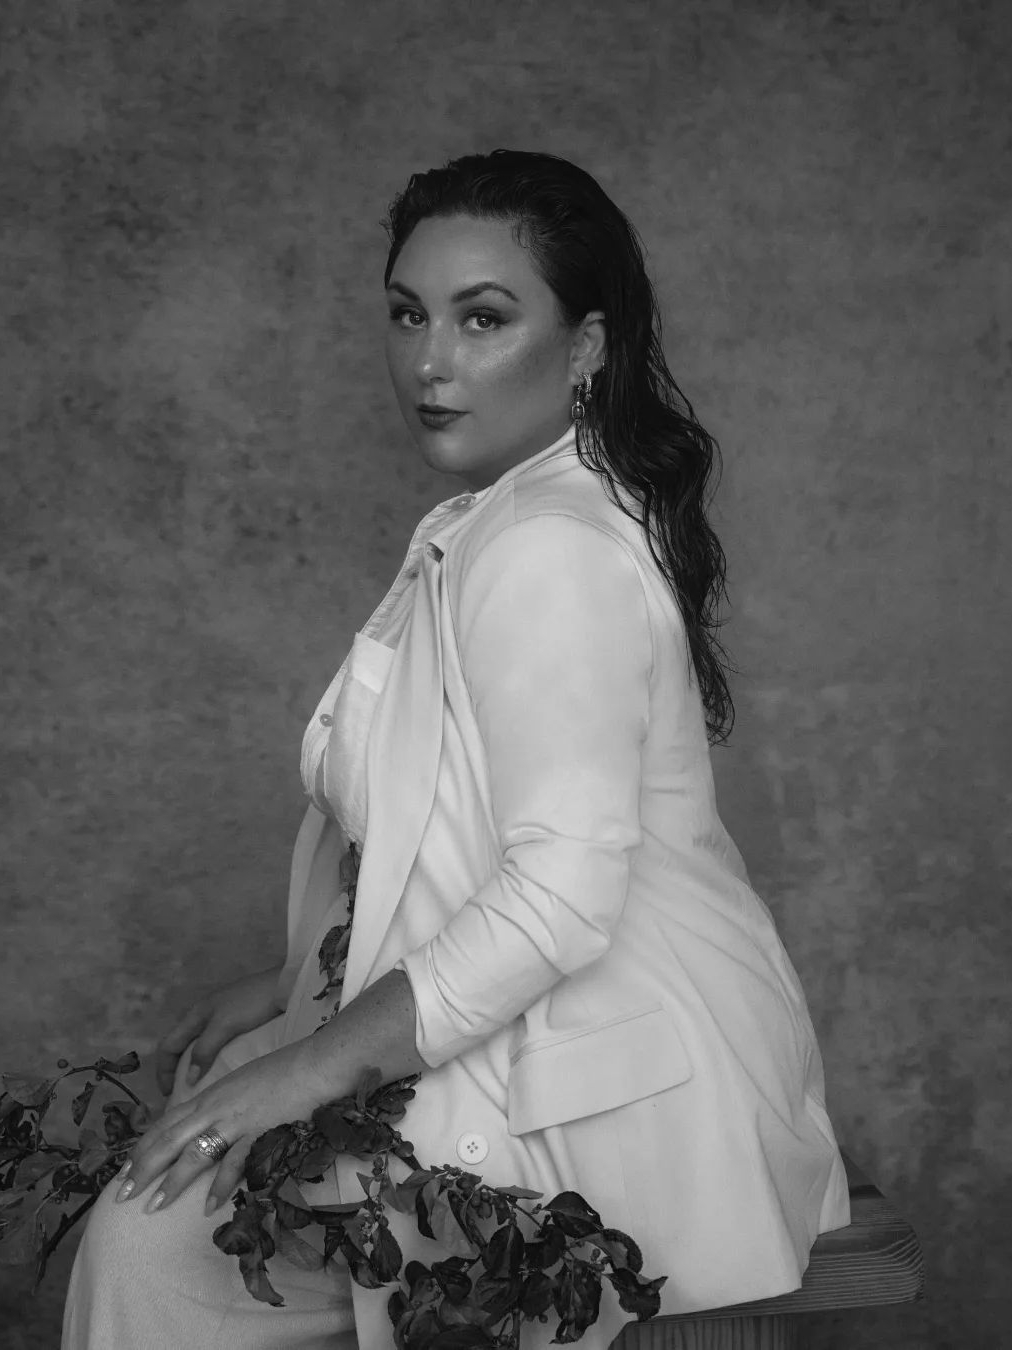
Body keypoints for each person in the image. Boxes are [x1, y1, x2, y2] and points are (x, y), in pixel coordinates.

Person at [62, 149, 850, 1350]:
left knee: (154, 1244)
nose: (430, 360)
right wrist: (292, 987)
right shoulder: (498, 519)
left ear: (586, 346)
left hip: (609, 1087)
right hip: (533, 1034)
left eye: (483, 319)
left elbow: (560, 893)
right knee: (162, 1224)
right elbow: (446, 828)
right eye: (406, 314)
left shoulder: (548, 548)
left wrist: (308, 1065)